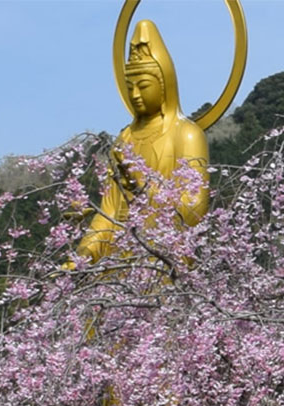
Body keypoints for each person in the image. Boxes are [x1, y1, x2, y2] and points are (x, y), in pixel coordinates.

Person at [76, 19, 211, 262]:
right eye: (130, 87)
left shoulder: (186, 134)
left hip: (162, 254)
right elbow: (109, 208)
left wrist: (144, 185)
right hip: (120, 252)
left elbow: (194, 207)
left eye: (144, 86)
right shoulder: (125, 138)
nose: (136, 95)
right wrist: (86, 253)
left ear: (164, 86)